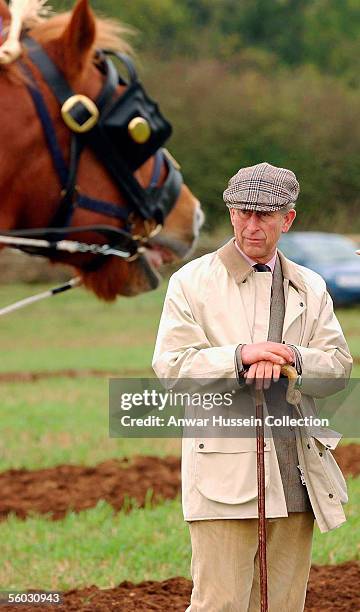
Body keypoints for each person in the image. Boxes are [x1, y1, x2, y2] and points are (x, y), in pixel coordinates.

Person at [152, 162, 352, 612]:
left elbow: (338, 367)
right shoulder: (192, 282)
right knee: (219, 605)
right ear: (230, 213)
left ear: (288, 219)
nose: (251, 224)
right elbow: (172, 366)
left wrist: (292, 358)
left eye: (264, 215)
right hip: (224, 477)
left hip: (297, 473)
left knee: (283, 605)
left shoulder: (311, 286)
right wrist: (240, 357)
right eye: (242, 212)